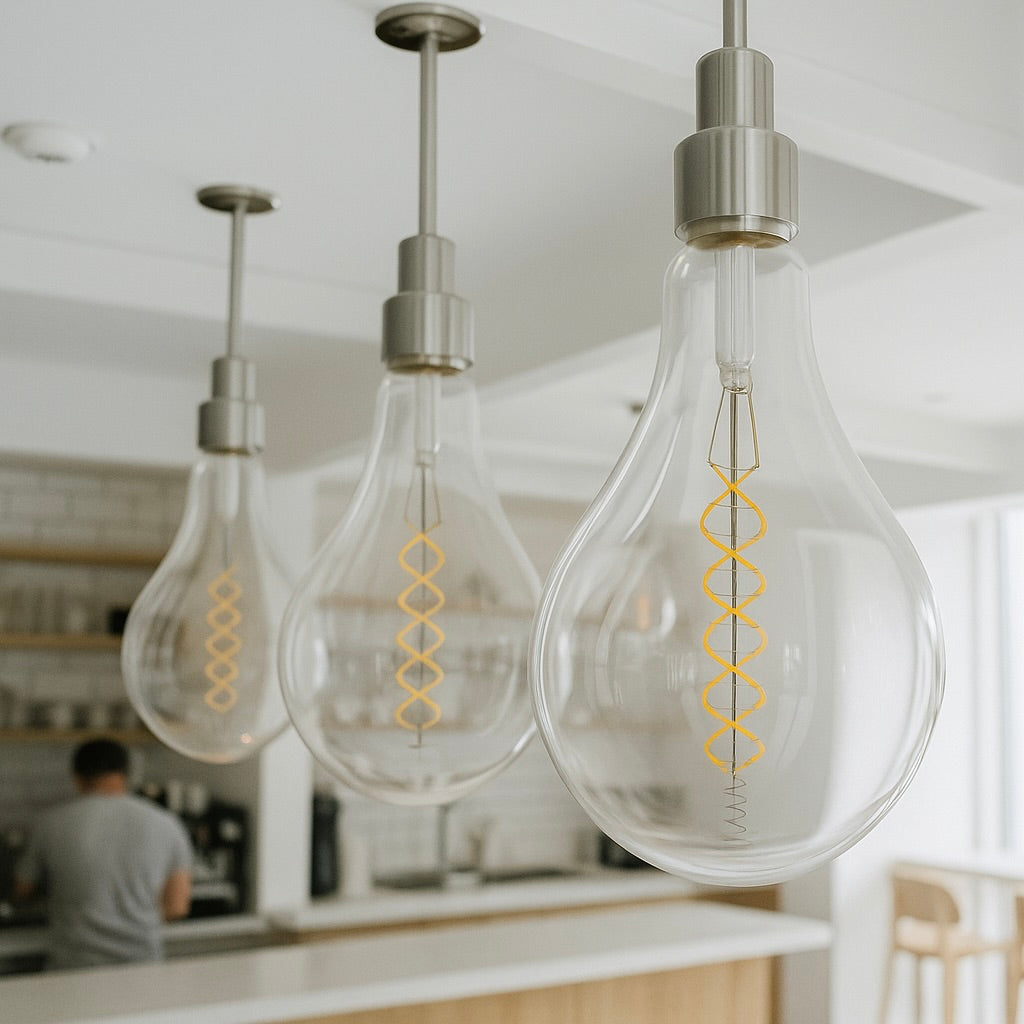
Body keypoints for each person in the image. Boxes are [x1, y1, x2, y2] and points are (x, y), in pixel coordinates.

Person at [13, 738, 192, 970]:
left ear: (77, 777)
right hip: (141, 965)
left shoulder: (50, 823)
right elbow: (177, 907)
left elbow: (22, 890)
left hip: (72, 966)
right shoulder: (167, 823)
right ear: (126, 774)